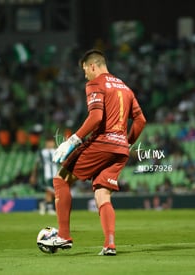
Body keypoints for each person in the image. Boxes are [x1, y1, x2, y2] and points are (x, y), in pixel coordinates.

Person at [37, 49, 146, 256]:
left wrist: (72, 140)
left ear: (93, 66)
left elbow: (96, 117)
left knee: (61, 179)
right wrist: (126, 141)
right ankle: (109, 245)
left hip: (102, 142)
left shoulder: (95, 84)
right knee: (102, 194)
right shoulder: (126, 88)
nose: (85, 75)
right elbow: (141, 121)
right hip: (120, 148)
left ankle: (64, 236)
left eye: (85, 70)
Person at [30, 135, 58, 215]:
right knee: (49, 191)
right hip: (46, 175)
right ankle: (49, 208)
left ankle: (43, 204)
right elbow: (37, 164)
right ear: (46, 143)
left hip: (55, 174)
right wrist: (33, 175)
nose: (50, 144)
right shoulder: (42, 152)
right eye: (49, 142)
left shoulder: (56, 151)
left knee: (52, 191)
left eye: (51, 142)